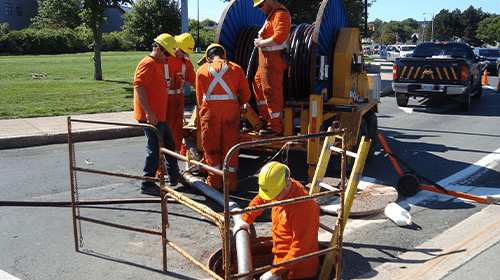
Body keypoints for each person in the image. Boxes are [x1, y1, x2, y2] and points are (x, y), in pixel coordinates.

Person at [233, 161, 319, 280]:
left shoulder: (303, 209)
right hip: (280, 262)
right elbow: (261, 199)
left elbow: (300, 248)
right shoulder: (279, 191)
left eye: (274, 196)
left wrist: (276, 272)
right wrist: (246, 219)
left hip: (299, 272)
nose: (271, 199)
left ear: (288, 185)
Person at [195, 43, 251, 191]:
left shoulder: (201, 70)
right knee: (230, 149)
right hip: (231, 115)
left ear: (208, 57)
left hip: (209, 116)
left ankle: (214, 184)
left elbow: (199, 99)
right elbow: (246, 94)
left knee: (211, 149)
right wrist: (234, 103)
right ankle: (230, 185)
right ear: (224, 55)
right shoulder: (236, 68)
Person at [133, 33, 180, 196]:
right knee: (154, 149)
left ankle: (174, 176)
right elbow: (139, 87)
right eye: (166, 54)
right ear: (158, 49)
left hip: (158, 116)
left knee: (169, 143)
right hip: (151, 117)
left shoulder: (156, 63)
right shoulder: (147, 63)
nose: (167, 58)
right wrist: (149, 113)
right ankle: (147, 184)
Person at [252, 0, 291, 137]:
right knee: (258, 86)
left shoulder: (280, 14)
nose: (260, 9)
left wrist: (261, 43)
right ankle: (266, 119)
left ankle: (275, 127)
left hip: (273, 61)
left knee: (272, 92)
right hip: (266, 62)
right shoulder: (272, 15)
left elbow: (280, 37)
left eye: (261, 5)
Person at [165, 33, 196, 154]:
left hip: (178, 107)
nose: (183, 53)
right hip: (164, 106)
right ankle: (161, 169)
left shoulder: (186, 63)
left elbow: (194, 80)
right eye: (181, 50)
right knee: (163, 137)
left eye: (185, 52)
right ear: (175, 45)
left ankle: (173, 165)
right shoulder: (164, 60)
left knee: (177, 134)